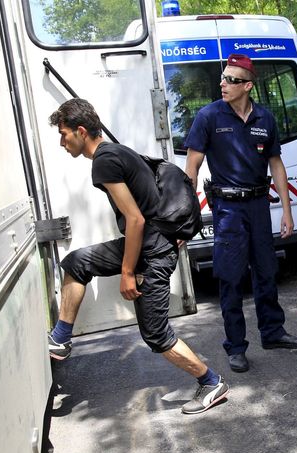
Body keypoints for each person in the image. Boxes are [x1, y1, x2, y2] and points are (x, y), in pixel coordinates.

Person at [46, 98, 227, 415]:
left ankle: (211, 382)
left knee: (156, 335)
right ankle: (61, 338)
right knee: (77, 262)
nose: (62, 142)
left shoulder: (104, 160)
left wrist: (128, 271)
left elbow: (136, 219)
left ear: (81, 130)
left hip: (151, 254)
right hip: (150, 244)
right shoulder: (116, 152)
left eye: (64, 134)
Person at [184, 54, 297, 374]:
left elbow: (276, 165)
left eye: (231, 80)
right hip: (227, 209)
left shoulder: (265, 119)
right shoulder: (209, 117)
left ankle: (273, 332)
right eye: (223, 78)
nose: (223, 84)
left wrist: (287, 211)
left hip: (258, 206)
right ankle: (236, 346)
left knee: (266, 271)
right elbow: (192, 166)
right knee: (231, 278)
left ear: (248, 86)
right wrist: (186, 210)